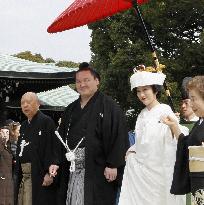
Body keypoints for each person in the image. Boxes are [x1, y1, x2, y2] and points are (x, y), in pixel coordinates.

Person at [57, 62, 129, 205]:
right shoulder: (70, 109)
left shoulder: (110, 106)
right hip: (72, 167)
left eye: (86, 80)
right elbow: (60, 137)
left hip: (99, 168)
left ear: (97, 81)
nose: (82, 84)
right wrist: (56, 162)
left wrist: (113, 164)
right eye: (78, 81)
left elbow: (119, 136)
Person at [118, 68, 188, 205]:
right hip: (142, 171)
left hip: (160, 169)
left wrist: (172, 127)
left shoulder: (165, 110)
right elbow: (141, 141)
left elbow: (176, 137)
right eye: (138, 91)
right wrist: (133, 149)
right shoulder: (141, 114)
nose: (142, 94)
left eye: (145, 90)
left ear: (155, 90)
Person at [162, 76, 204, 203]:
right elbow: (186, 143)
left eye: (193, 99)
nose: (190, 104)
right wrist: (174, 125)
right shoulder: (200, 122)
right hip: (198, 183)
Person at [15, 92, 61, 205]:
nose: (25, 105)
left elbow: (54, 148)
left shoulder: (46, 121)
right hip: (24, 175)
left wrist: (49, 174)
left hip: (39, 174)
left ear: (38, 104)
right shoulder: (24, 125)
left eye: (28, 102)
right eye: (22, 103)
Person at [0, 125, 14, 205]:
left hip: (8, 178)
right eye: (3, 132)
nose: (5, 135)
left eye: (7, 132)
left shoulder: (9, 147)